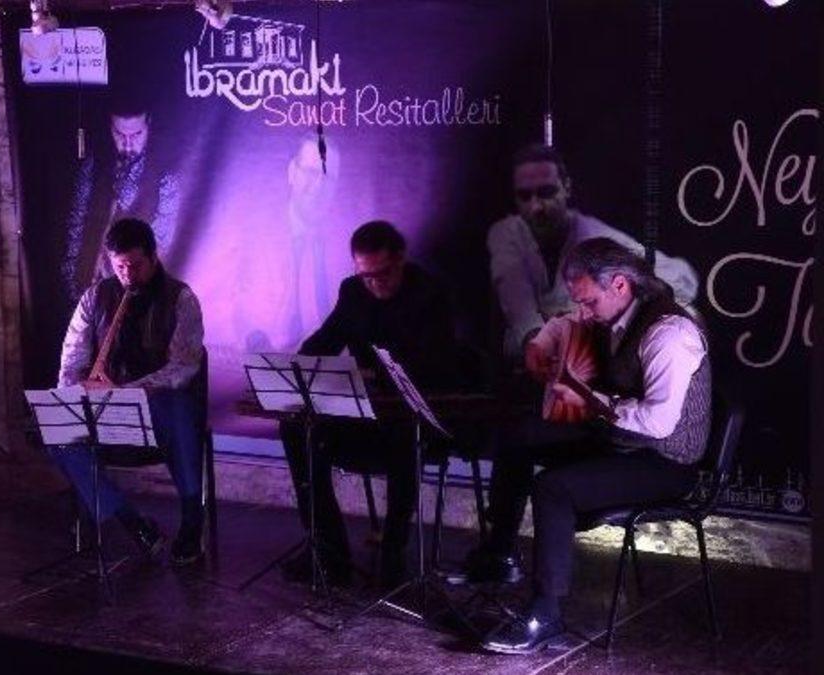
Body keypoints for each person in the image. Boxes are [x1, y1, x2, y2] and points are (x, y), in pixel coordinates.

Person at [465, 237, 711, 654]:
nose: (585, 311)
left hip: (665, 460)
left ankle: (546, 615)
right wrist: (539, 342)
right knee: (517, 436)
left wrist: (591, 401)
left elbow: (658, 423)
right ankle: (499, 555)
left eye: (589, 301)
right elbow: (567, 321)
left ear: (619, 285)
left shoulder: (670, 333)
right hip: (620, 439)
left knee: (553, 487)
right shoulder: (612, 309)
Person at [278, 221, 461, 589]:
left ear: (401, 259)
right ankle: (328, 550)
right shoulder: (353, 292)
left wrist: (374, 375)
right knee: (296, 428)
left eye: (383, 274)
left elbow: (439, 365)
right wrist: (297, 370)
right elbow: (326, 339)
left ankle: (394, 552)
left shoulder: (430, 293)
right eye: (365, 276)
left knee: (404, 434)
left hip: (415, 418)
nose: (375, 283)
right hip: (366, 418)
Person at [48, 218, 207, 565]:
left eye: (135, 265)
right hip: (106, 410)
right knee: (57, 433)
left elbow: (183, 367)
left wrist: (126, 392)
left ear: (153, 257)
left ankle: (192, 520)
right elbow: (71, 361)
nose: (128, 275)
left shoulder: (181, 298)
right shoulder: (95, 297)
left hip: (156, 408)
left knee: (179, 410)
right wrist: (78, 393)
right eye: (120, 267)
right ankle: (132, 522)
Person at [488, 144, 700, 360]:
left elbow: (683, 278)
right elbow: (517, 301)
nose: (536, 207)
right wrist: (540, 342)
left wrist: (630, 295)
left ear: (566, 187)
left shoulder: (592, 234)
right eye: (524, 196)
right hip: (533, 358)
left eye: (547, 193)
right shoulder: (504, 233)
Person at [61, 96, 182, 303]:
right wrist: (73, 281)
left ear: (148, 125)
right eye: (119, 134)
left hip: (138, 296)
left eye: (136, 134)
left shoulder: (165, 177)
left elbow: (160, 246)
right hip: (89, 293)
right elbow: (75, 225)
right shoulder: (93, 167)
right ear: (110, 127)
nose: (127, 143)